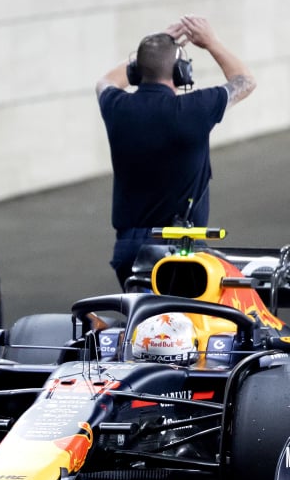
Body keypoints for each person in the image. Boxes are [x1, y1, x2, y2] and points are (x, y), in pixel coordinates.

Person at [95, 15, 256, 288]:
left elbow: (104, 81)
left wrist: (152, 47)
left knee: (143, 324)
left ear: (136, 71)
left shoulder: (116, 107)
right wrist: (211, 43)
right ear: (182, 72)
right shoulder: (194, 109)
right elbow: (245, 81)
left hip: (129, 249)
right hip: (179, 249)